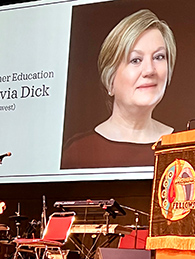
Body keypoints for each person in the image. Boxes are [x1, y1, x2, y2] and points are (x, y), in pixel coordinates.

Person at [61, 9, 176, 169]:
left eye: (158, 57)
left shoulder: (186, 147)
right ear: (110, 80)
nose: (150, 70)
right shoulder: (78, 152)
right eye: (135, 60)